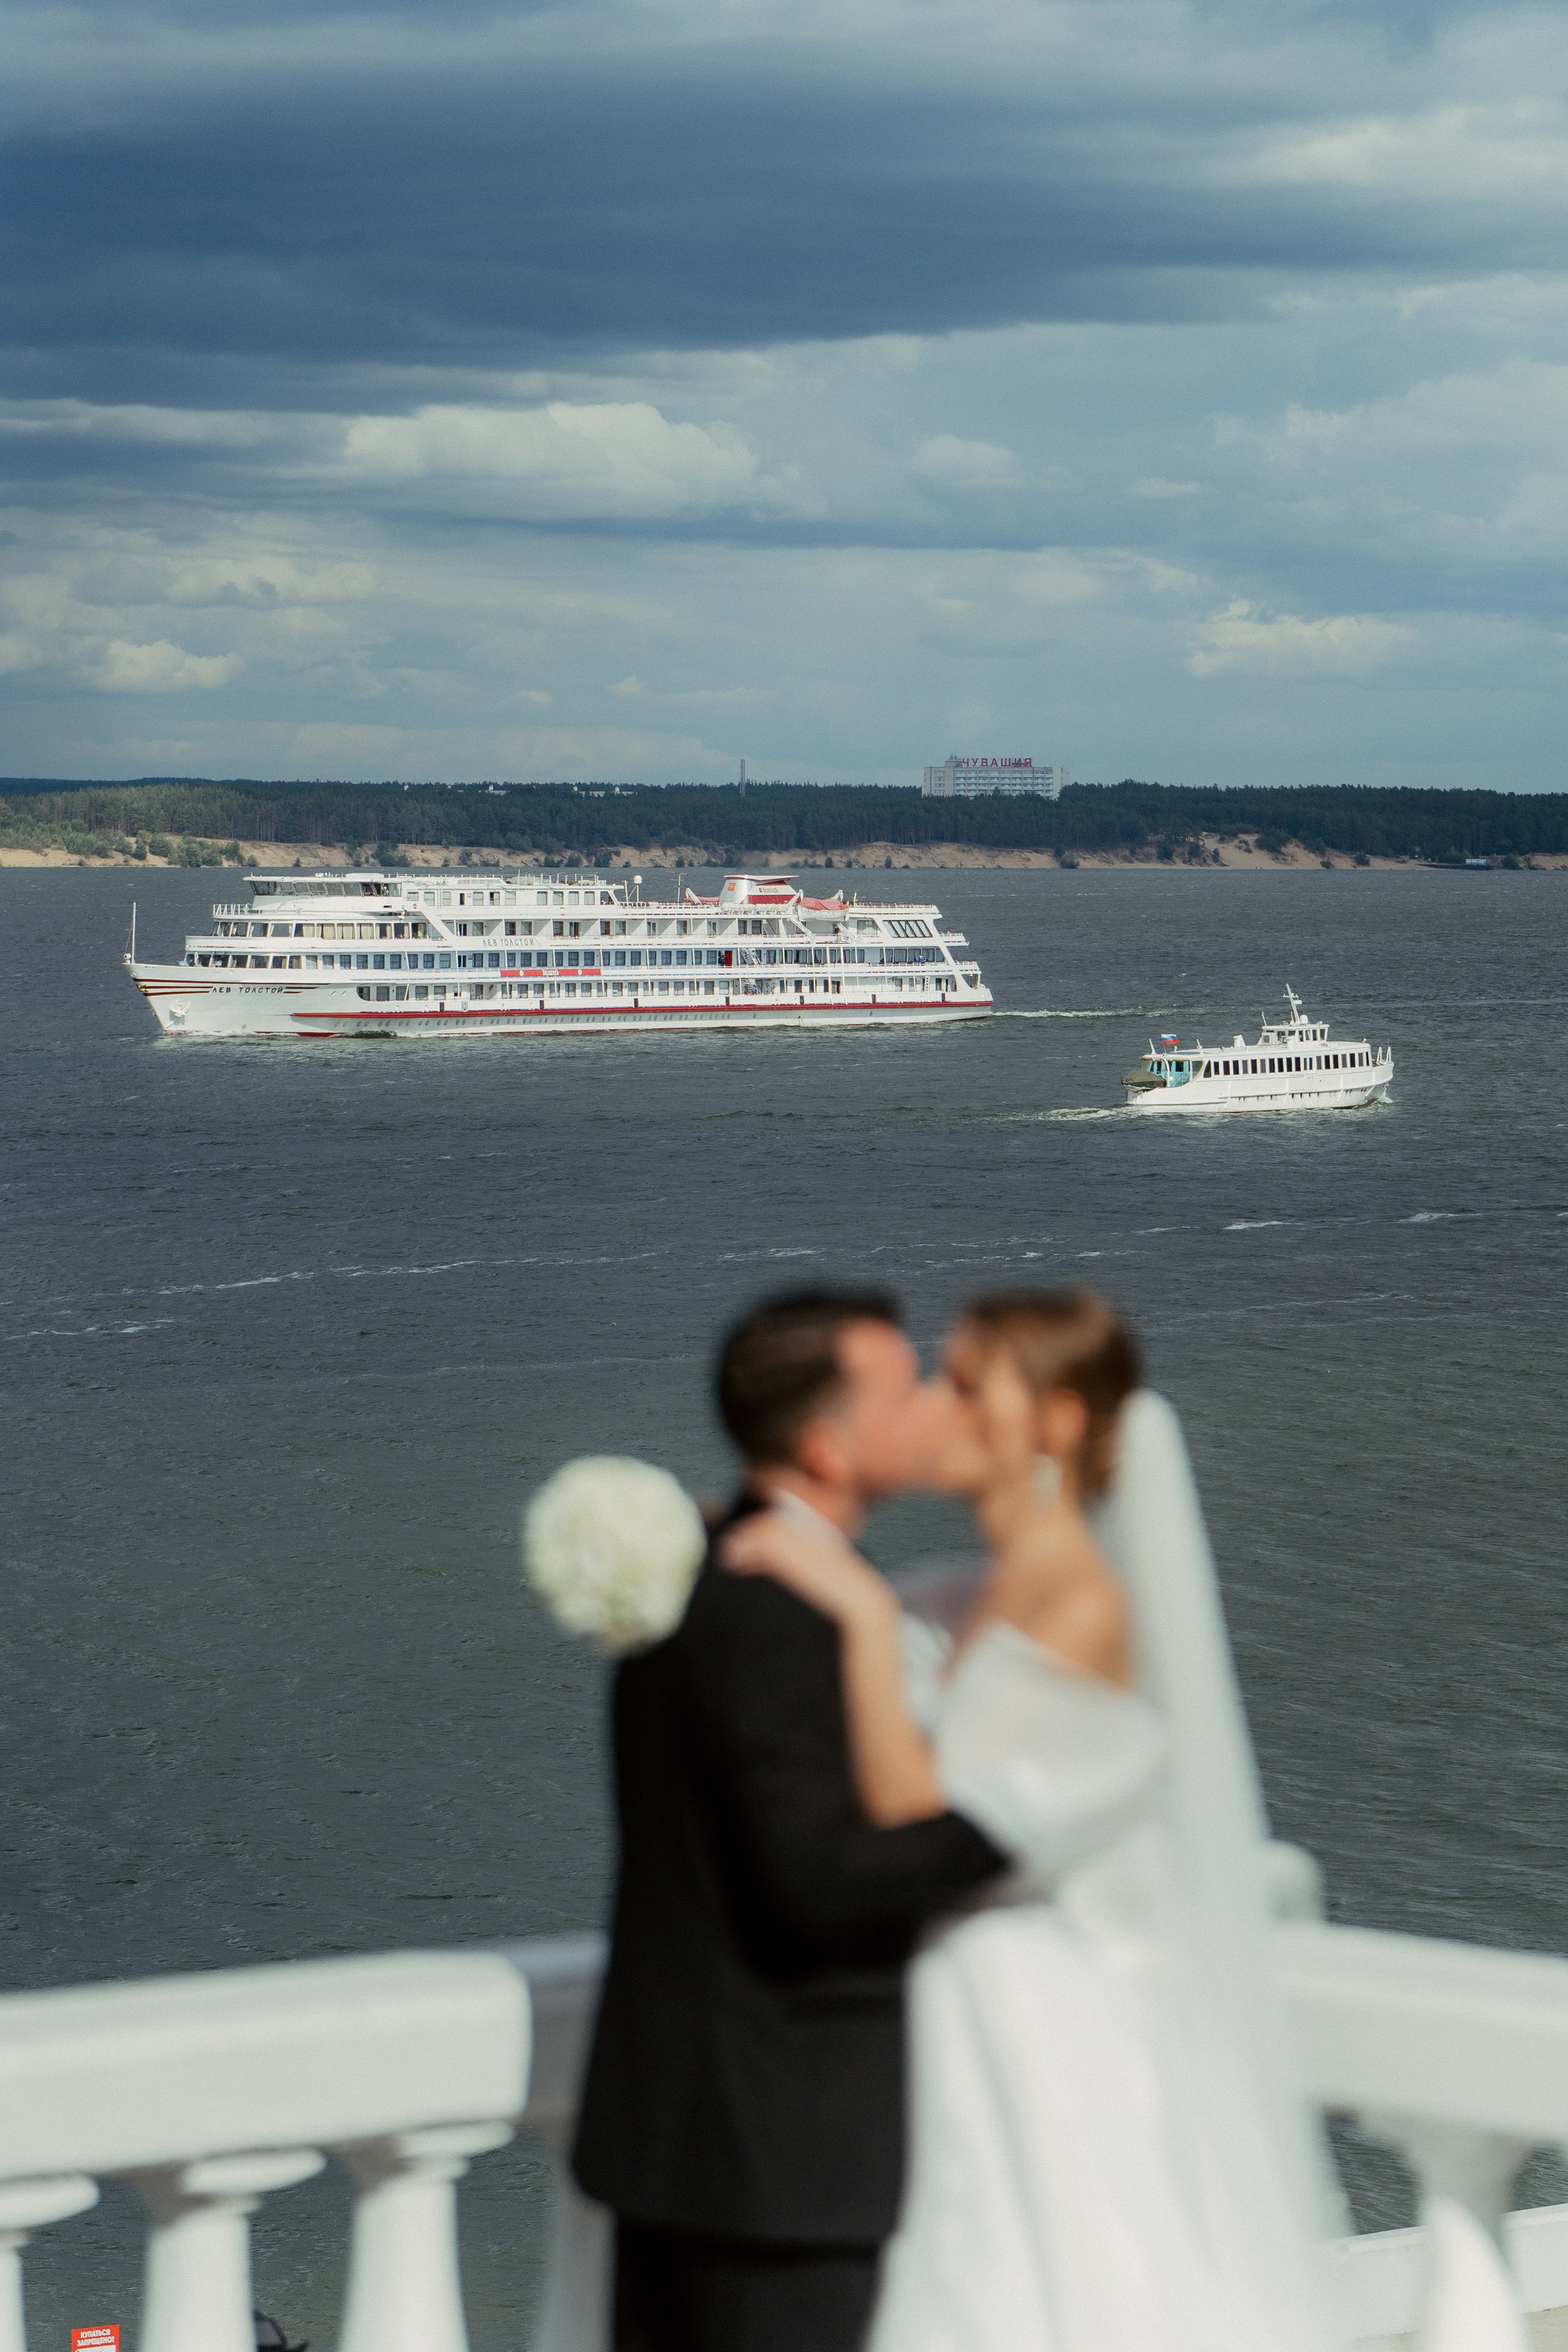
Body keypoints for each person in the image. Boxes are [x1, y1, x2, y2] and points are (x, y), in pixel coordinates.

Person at [725, 1288, 1338, 2352]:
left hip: (1036, 2041)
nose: (937, 1410)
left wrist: (859, 1613)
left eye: (966, 1387)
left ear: (1053, 1423)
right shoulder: (969, 1593)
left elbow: (928, 1819)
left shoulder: (1080, 1603)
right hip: (947, 2028)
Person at [570, 1289, 1009, 2352]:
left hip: (661, 2135)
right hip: (777, 2156)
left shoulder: (685, 1578)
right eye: (905, 1390)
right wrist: (1005, 1829)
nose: (932, 1408)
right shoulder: (796, 1616)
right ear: (826, 1447)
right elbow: (814, 1885)